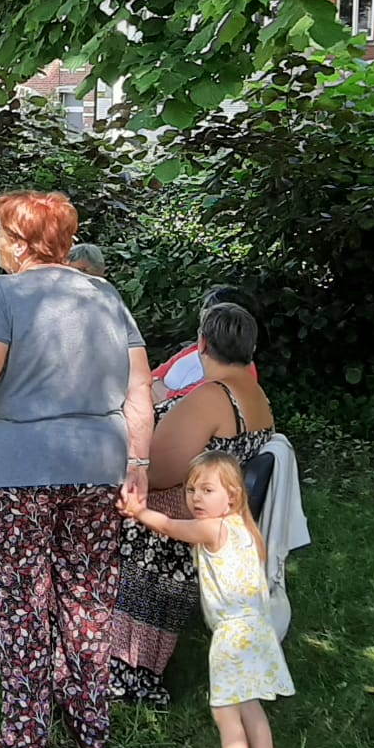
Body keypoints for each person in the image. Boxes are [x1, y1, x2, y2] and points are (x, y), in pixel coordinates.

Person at [0, 190, 153, 748]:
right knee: (88, 599)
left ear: (20, 244)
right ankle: (90, 731)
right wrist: (139, 464)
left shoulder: (2, 294)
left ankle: (23, 746)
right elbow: (139, 392)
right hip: (98, 466)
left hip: (17, 474)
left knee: (21, 604)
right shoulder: (105, 296)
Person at [110, 300, 273, 709]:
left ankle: (95, 648)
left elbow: (156, 472)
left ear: (201, 344)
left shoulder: (211, 398)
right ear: (250, 348)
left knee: (79, 502)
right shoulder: (256, 396)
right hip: (210, 512)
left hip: (172, 516)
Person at [134, 451, 293, 748]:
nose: (196, 498)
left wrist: (138, 512)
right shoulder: (244, 529)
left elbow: (171, 526)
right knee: (250, 706)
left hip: (233, 638)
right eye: (191, 490)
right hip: (257, 632)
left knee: (226, 716)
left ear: (232, 496)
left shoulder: (214, 529)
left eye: (207, 490)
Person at [152, 286, 259, 406]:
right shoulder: (194, 349)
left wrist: (155, 386)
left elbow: (182, 403)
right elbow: (152, 376)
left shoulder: (239, 370)